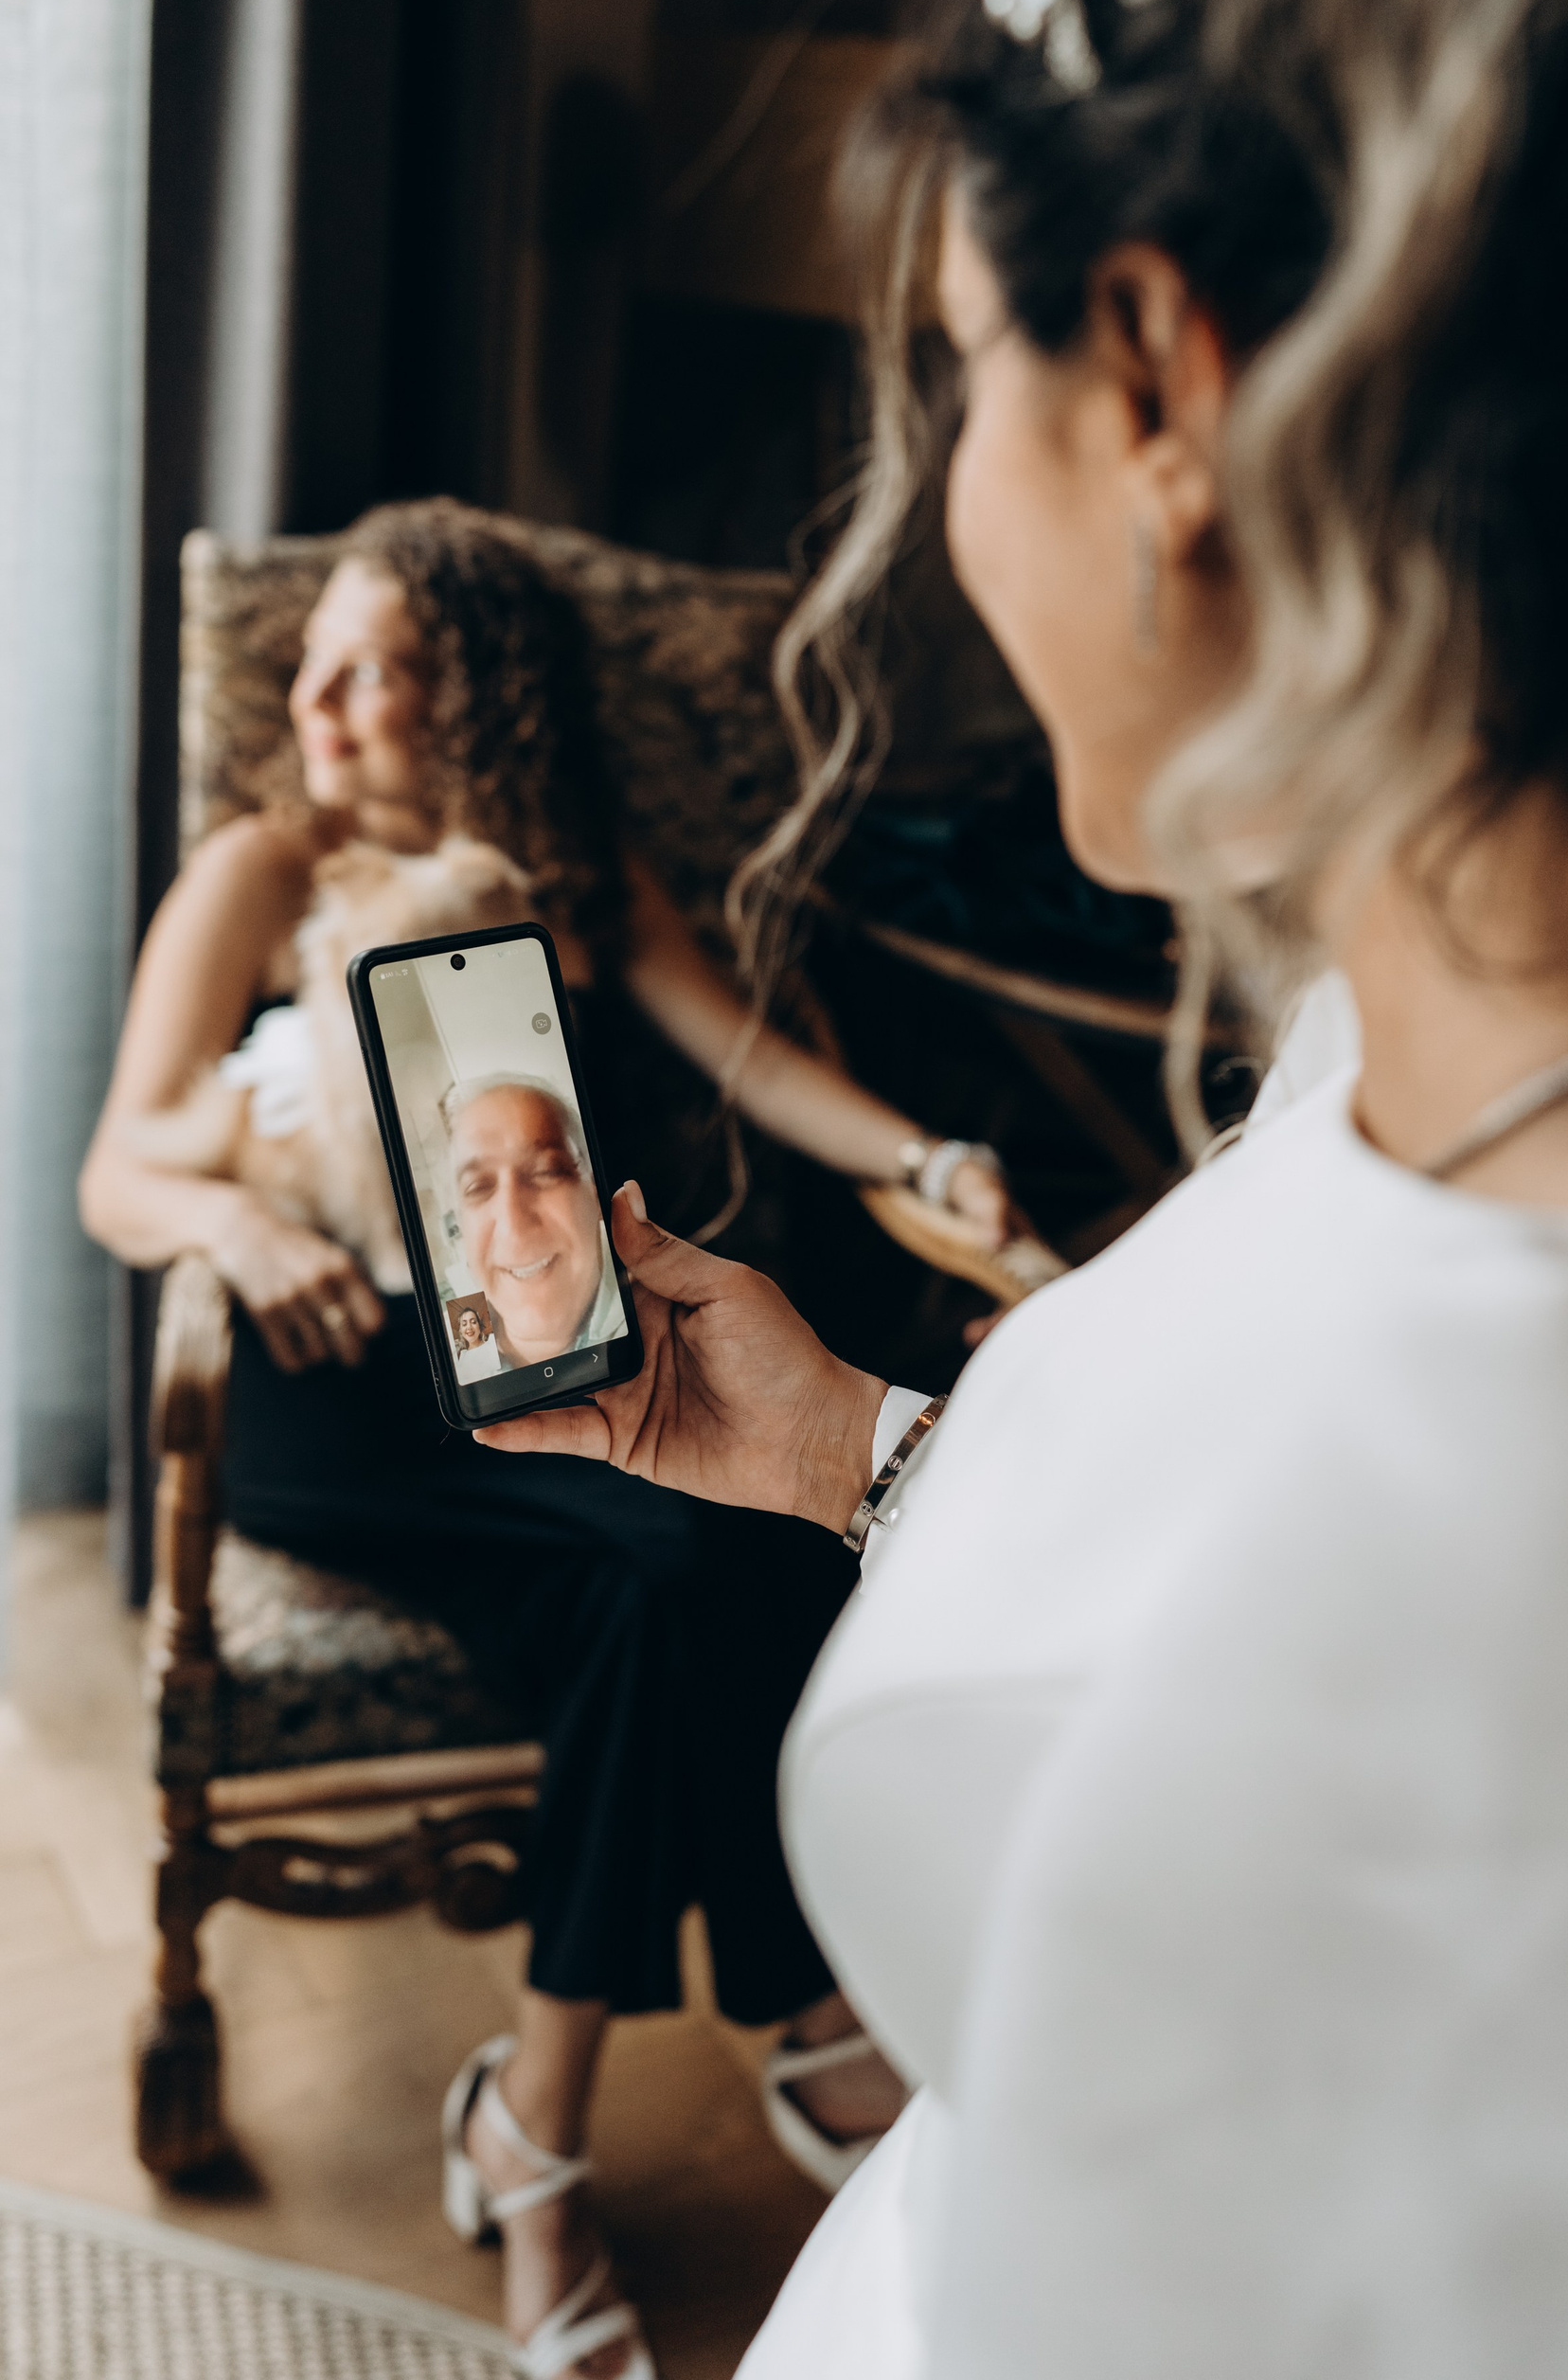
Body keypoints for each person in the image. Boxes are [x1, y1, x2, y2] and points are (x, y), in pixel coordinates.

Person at [477, 0, 1568, 2370]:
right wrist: (849, 1445)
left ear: (1167, 381)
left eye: (973, 371)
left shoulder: (1529, 1444)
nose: (961, 488)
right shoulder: (1430, 1079)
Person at [81, 499, 1013, 2379]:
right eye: (316, 665)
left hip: (525, 1349)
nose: (322, 700)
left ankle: (539, 2125)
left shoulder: (573, 872)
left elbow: (747, 1050)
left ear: (475, 691)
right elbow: (121, 1163)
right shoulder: (261, 867)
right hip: (338, 1376)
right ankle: (788, 2007)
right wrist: (243, 1215)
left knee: (680, 1564)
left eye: (375, 669)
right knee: (680, 1554)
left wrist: (926, 1152)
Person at [443, 1078, 619, 1366]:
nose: (513, 1224)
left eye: (547, 1171)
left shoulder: (662, 1323)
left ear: (595, 1193)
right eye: (477, 1187)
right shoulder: (446, 1354)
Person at [451, 1300, 504, 1382]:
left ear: (479, 1326)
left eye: (473, 1322)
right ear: (460, 1330)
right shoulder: (462, 1358)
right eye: (464, 1324)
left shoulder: (493, 1343)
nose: (469, 1327)